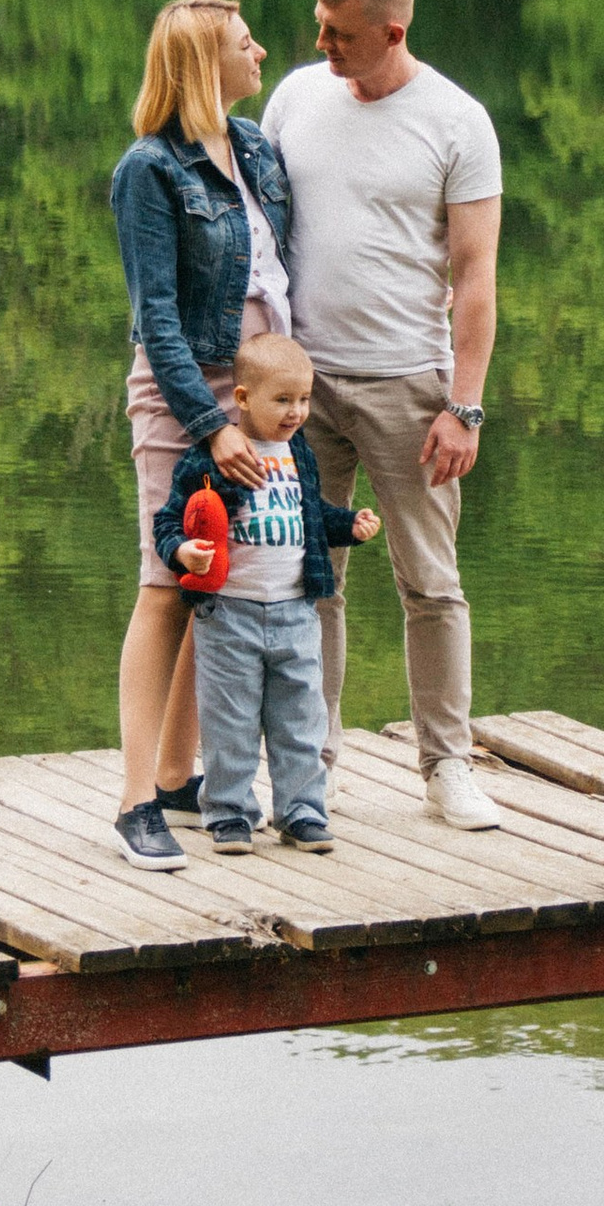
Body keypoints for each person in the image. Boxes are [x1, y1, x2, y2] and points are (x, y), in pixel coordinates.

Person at [262, 0, 505, 829]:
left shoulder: (457, 121)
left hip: (409, 385)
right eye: (319, 26)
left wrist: (463, 406)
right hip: (298, 390)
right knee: (308, 579)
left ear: (392, 32)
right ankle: (312, 764)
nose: (321, 44)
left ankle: (447, 766)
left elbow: (475, 276)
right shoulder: (295, 97)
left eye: (339, 33)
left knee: (430, 584)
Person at [107, 0, 296, 871]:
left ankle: (179, 776)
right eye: (244, 43)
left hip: (259, 393)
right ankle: (135, 801)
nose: (260, 52)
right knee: (166, 580)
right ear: (201, 64)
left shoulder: (253, 148)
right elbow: (157, 317)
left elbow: (281, 271)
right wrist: (210, 422)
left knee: (213, 584)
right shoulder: (148, 170)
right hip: (185, 393)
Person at [156, 330, 381, 852]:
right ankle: (229, 813)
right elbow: (168, 522)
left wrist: (350, 525)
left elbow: (312, 515)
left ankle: (301, 813)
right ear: (243, 398)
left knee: (301, 718)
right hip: (227, 613)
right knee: (229, 720)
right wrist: (184, 552)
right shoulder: (208, 458)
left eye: (304, 399)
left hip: (295, 611)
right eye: (282, 399)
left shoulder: (298, 453)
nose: (296, 411)